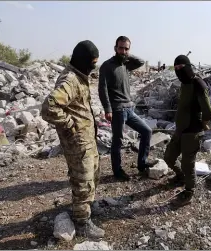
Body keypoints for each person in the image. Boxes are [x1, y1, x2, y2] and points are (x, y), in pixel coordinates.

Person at [41, 40, 104, 239]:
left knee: (93, 175)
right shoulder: (70, 80)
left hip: (87, 140)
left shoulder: (80, 75)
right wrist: (70, 125)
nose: (94, 66)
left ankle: (87, 209)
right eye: (93, 62)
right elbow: (49, 107)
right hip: (77, 142)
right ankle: (82, 221)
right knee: (82, 180)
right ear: (84, 60)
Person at [98, 36, 156, 181]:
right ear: (115, 48)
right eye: (120, 48)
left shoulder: (126, 64)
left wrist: (127, 56)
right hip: (117, 110)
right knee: (118, 141)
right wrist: (107, 109)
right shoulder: (107, 65)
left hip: (129, 108)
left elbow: (141, 62)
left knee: (147, 131)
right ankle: (117, 171)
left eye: (126, 48)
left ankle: (142, 164)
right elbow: (102, 88)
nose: (123, 51)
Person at [163, 55, 211, 206]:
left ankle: (189, 191)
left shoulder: (198, 83)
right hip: (180, 129)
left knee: (187, 164)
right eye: (176, 69)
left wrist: (203, 123)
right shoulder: (184, 84)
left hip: (192, 132)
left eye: (181, 68)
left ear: (188, 66)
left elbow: (208, 112)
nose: (179, 71)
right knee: (169, 157)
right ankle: (180, 176)